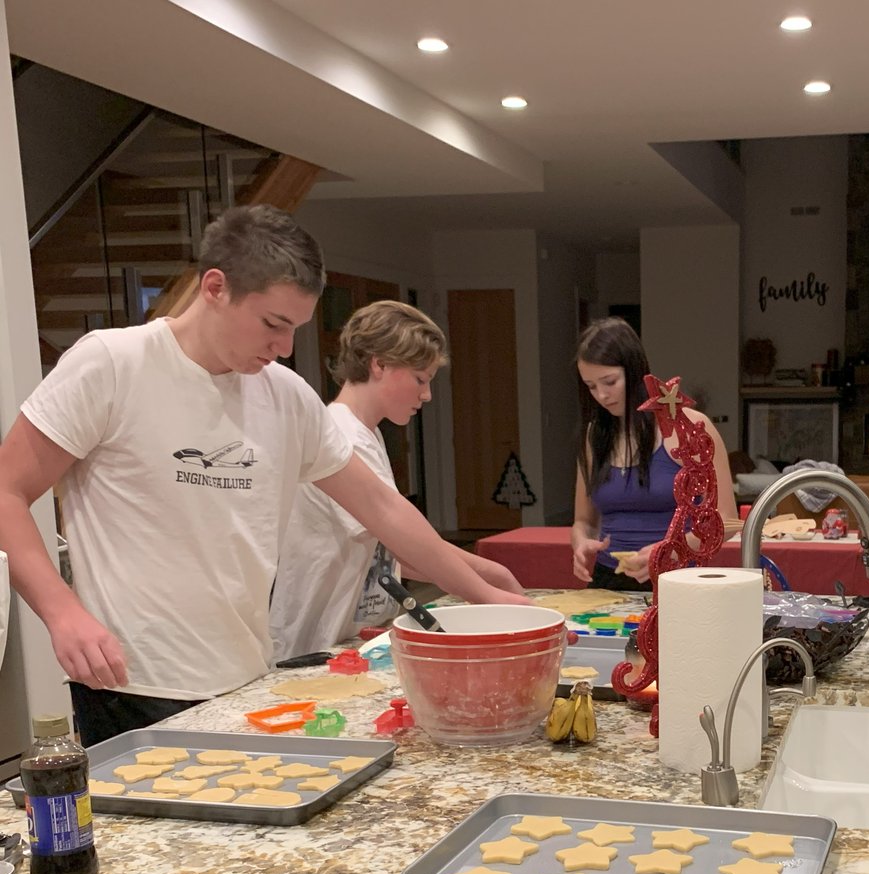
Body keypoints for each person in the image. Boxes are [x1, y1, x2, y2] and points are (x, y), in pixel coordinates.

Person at [0, 204, 527, 747]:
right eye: (273, 324)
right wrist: (61, 612)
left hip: (245, 677)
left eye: (295, 328)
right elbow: (7, 491)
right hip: (130, 680)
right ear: (215, 288)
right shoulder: (112, 363)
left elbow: (382, 508)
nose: (285, 348)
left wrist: (485, 596)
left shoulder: (287, 396)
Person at [270, 300, 448, 661]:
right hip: (313, 644)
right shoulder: (343, 435)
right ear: (379, 364)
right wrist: (491, 582)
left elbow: (394, 556)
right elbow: (406, 545)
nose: (426, 394)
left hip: (348, 637)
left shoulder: (367, 433)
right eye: (420, 379)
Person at [570, 318, 739, 590]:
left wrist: (670, 550)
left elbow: (726, 521)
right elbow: (584, 521)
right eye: (590, 386)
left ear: (635, 372)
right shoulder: (594, 436)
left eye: (610, 382)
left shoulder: (690, 427)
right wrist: (580, 542)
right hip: (608, 579)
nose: (601, 395)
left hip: (677, 580)